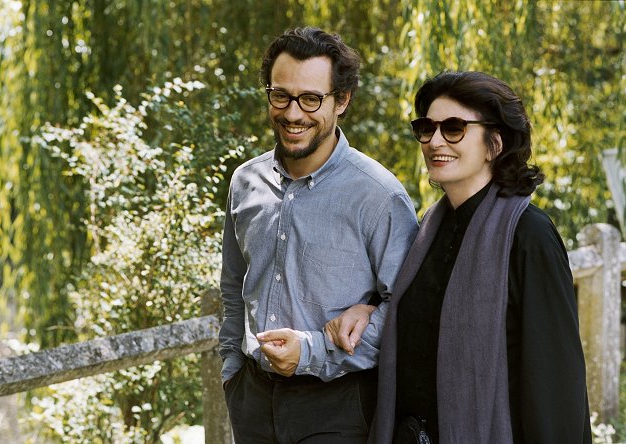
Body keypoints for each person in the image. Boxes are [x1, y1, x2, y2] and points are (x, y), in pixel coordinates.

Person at [326, 71, 592, 443]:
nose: (435, 141)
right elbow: (422, 318)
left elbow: (555, 382)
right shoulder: (427, 230)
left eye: (454, 128)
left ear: (494, 143)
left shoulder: (529, 235)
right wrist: (368, 307)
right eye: (427, 127)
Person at [218, 27, 419, 444]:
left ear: (341, 101)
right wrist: (231, 374)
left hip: (339, 407)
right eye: (281, 95)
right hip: (251, 398)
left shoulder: (379, 196)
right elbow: (233, 288)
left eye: (311, 99)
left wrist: (312, 351)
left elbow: (405, 312)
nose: (293, 113)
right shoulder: (244, 182)